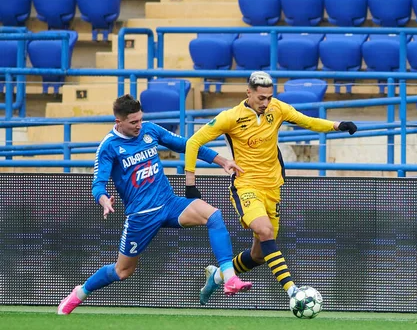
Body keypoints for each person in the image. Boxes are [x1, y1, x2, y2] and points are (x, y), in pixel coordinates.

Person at [57, 94, 252, 315]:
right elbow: (98, 184)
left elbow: (187, 145)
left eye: (140, 119)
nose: (139, 125)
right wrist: (103, 199)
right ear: (118, 122)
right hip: (141, 216)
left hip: (169, 203)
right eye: (133, 122)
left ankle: (229, 277)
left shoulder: (150, 130)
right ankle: (79, 293)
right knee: (122, 271)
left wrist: (222, 160)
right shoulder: (109, 147)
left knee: (213, 215)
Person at [184, 71, 357, 304]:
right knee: (265, 232)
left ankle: (217, 276)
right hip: (246, 186)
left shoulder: (277, 108)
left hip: (273, 189)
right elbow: (194, 142)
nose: (266, 103)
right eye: (261, 98)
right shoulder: (230, 117)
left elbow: (307, 120)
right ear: (249, 93)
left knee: (259, 255)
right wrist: (190, 183)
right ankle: (293, 291)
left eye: (269, 97)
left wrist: (338, 125)